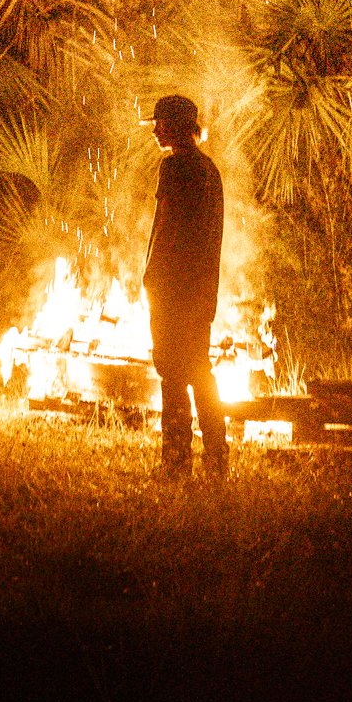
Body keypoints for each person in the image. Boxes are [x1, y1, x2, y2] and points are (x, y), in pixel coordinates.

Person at [143, 93, 228, 477]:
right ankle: (216, 453)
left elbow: (166, 227)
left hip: (174, 288)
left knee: (173, 373)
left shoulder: (174, 168)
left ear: (175, 126)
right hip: (201, 289)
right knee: (199, 370)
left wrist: (152, 276)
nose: (156, 130)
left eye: (160, 122)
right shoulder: (211, 170)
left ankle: (176, 461)